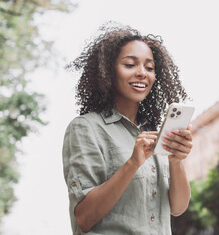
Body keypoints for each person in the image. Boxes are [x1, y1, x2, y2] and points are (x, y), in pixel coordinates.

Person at [62, 24, 193, 235]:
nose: (142, 73)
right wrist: (132, 163)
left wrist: (176, 161)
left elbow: (178, 208)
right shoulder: (86, 128)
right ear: (108, 72)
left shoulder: (153, 133)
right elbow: (84, 218)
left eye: (149, 68)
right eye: (130, 65)